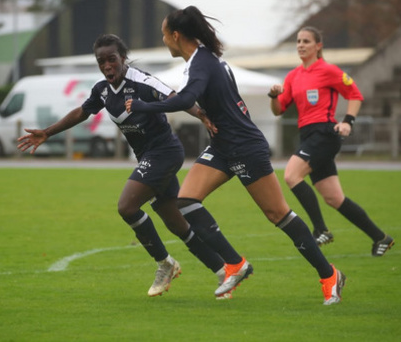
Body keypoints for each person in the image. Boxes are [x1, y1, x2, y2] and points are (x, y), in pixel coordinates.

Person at [126, 6, 345, 305]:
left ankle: (329, 274)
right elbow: (205, 98)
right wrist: (204, 115)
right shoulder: (201, 59)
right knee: (186, 201)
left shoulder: (201, 62)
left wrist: (143, 106)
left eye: (164, 35)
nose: (164, 41)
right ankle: (235, 264)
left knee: (277, 214)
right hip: (222, 145)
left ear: (176, 36)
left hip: (244, 145)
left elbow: (187, 98)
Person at [18, 34, 241, 298]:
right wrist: (48, 132)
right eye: (101, 61)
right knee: (177, 223)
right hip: (148, 157)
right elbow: (82, 111)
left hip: (165, 152)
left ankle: (165, 264)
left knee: (127, 206)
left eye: (112, 59)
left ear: (123, 58)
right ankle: (222, 272)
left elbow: (175, 97)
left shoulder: (141, 81)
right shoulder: (102, 90)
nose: (107, 66)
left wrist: (202, 115)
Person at [268, 26, 394, 256]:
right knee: (335, 198)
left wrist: (348, 122)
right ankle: (381, 238)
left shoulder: (329, 70)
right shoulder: (293, 76)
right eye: (298, 41)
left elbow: (355, 95)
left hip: (324, 134)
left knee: (291, 175)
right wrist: (274, 96)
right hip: (308, 135)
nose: (300, 45)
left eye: (306, 41)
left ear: (318, 46)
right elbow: (278, 110)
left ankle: (320, 230)